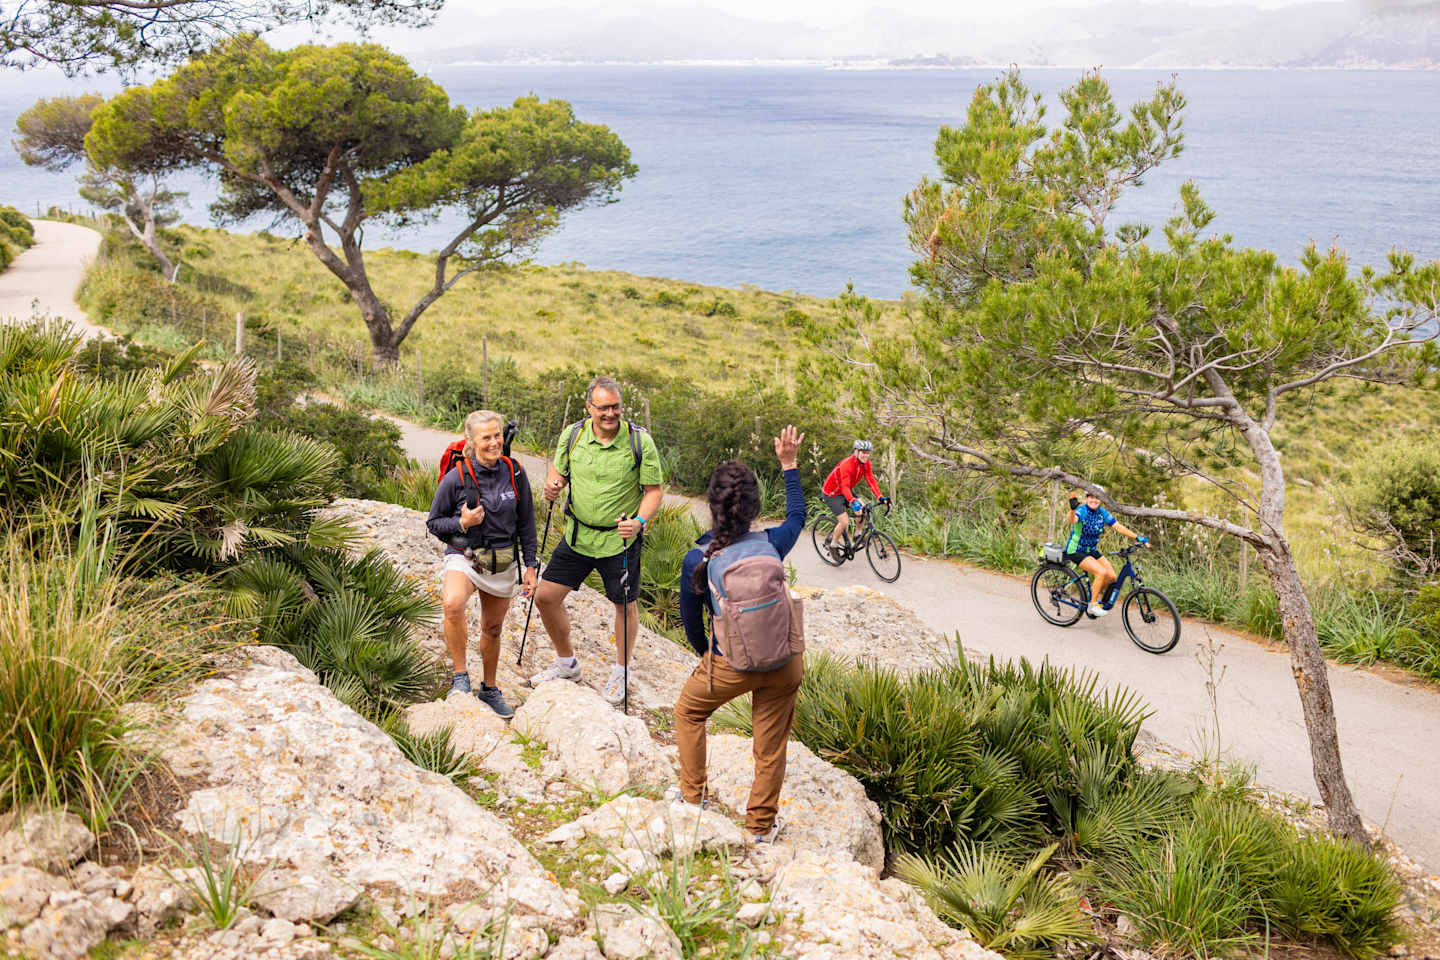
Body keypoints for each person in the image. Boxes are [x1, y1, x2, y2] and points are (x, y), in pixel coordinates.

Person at [672, 425, 806, 843]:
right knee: (770, 747)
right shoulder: (772, 543)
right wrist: (789, 464)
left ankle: (693, 800)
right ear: (753, 506)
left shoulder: (698, 559)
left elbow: (693, 626)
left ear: (711, 506)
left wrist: (710, 657)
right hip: (785, 661)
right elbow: (799, 515)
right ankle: (760, 828)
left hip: (730, 665)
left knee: (689, 712)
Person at [531, 376, 665, 705]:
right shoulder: (573, 435)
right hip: (577, 536)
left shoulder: (639, 442)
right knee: (545, 597)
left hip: (619, 540)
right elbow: (558, 472)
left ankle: (621, 671)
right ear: (588, 407)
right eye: (603, 407)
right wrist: (552, 485)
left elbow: (654, 491)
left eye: (615, 407)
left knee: (624, 606)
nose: (610, 414)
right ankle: (567, 664)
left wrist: (639, 522)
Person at [426, 410, 540, 718]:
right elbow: (434, 523)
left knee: (492, 627)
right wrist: (462, 522)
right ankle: (460, 677)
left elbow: (527, 523)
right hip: (464, 555)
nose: (494, 442)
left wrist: (531, 566)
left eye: (497, 435)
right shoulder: (457, 477)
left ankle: (489, 688)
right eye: (486, 437)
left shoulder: (515, 472)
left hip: (502, 559)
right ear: (472, 441)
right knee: (452, 604)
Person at [1065, 487, 1148, 617]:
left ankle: (1094, 597)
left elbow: (1117, 526)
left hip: (1092, 550)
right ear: (1087, 498)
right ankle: (1091, 606)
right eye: (1091, 497)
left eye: (1097, 497)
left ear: (1101, 499)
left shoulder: (1101, 512)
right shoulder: (1081, 510)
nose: (1094, 499)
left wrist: (1137, 537)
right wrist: (1072, 509)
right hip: (1076, 550)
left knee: (1111, 576)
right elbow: (1072, 520)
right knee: (1101, 572)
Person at [820, 439, 889, 557]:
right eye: (863, 452)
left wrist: (880, 497)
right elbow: (845, 487)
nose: (866, 455)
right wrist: (852, 501)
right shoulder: (847, 464)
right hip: (832, 493)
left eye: (868, 453)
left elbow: (871, 481)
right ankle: (833, 545)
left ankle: (857, 534)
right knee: (844, 521)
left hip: (845, 490)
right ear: (856, 451)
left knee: (863, 509)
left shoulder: (865, 464)